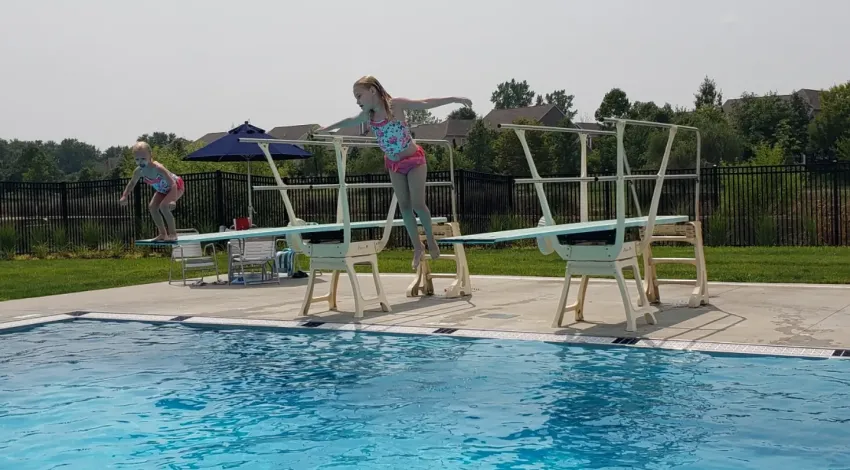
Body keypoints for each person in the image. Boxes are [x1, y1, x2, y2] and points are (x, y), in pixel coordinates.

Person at [315, 75, 472, 270]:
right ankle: (417, 247)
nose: (357, 101)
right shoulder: (369, 115)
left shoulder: (395, 105)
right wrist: (328, 128)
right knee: (404, 207)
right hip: (394, 164)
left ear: (372, 90)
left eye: (359, 96)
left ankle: (431, 240)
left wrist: (454, 99)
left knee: (418, 204)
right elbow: (349, 121)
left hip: (414, 161)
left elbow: (425, 103)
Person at [119, 141, 185, 242]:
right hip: (162, 190)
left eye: (143, 159)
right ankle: (163, 234)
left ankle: (173, 234)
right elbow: (132, 183)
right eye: (137, 159)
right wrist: (124, 195)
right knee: (152, 207)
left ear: (151, 155)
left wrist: (172, 200)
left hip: (176, 187)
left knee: (164, 206)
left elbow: (173, 184)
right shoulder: (139, 171)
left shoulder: (158, 168)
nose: (141, 162)